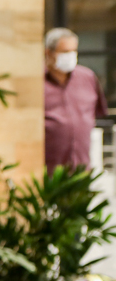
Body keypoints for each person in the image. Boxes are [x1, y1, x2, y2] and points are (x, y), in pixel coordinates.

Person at [44, 27, 107, 173]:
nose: (71, 56)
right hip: (48, 170)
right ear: (48, 52)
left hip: (81, 167)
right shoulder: (36, 82)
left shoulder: (87, 77)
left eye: (74, 51)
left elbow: (97, 113)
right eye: (65, 51)